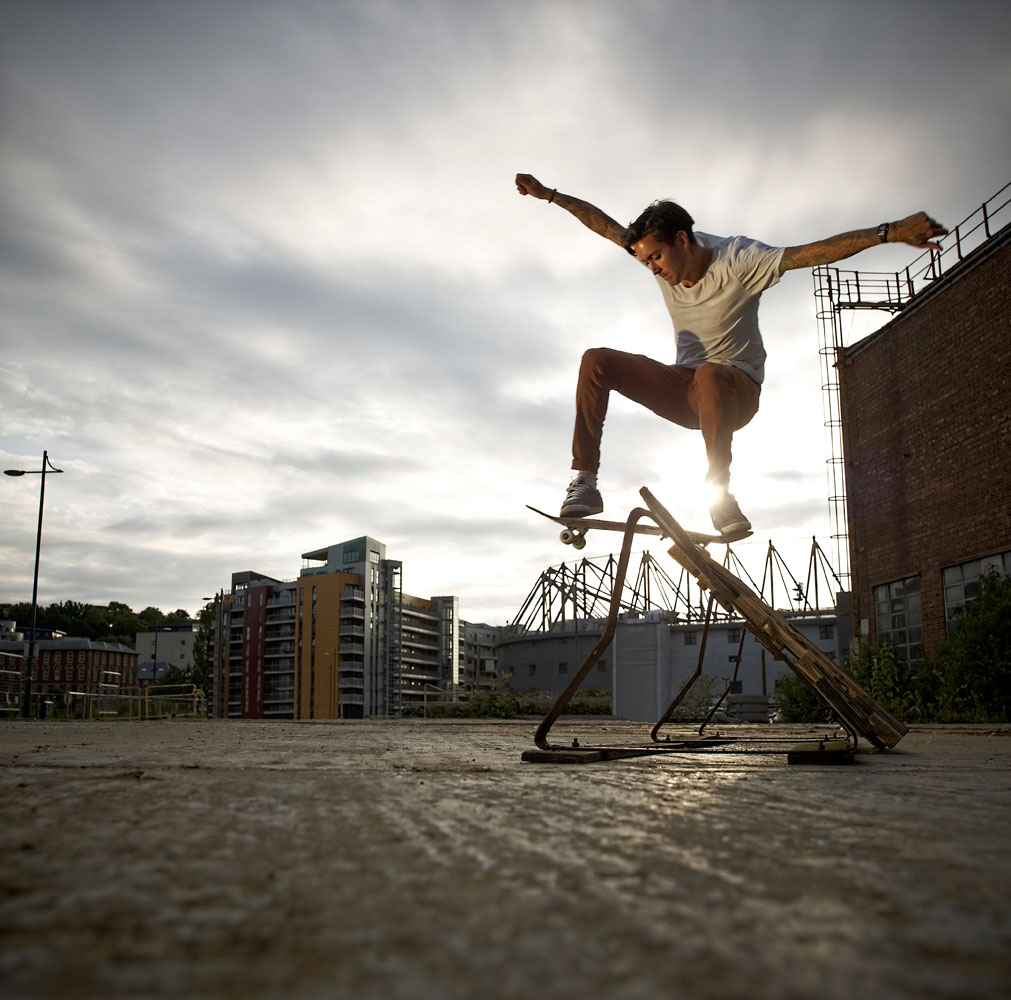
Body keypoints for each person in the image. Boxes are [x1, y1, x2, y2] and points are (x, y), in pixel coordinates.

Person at [515, 172, 946, 534]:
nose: (654, 270)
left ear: (682, 239)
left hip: (735, 392)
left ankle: (720, 496)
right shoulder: (655, 254)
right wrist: (550, 195)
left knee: (711, 373)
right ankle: (585, 480)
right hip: (687, 394)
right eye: (646, 262)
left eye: (658, 258)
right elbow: (604, 224)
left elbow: (812, 253)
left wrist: (889, 233)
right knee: (597, 360)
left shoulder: (739, 259)